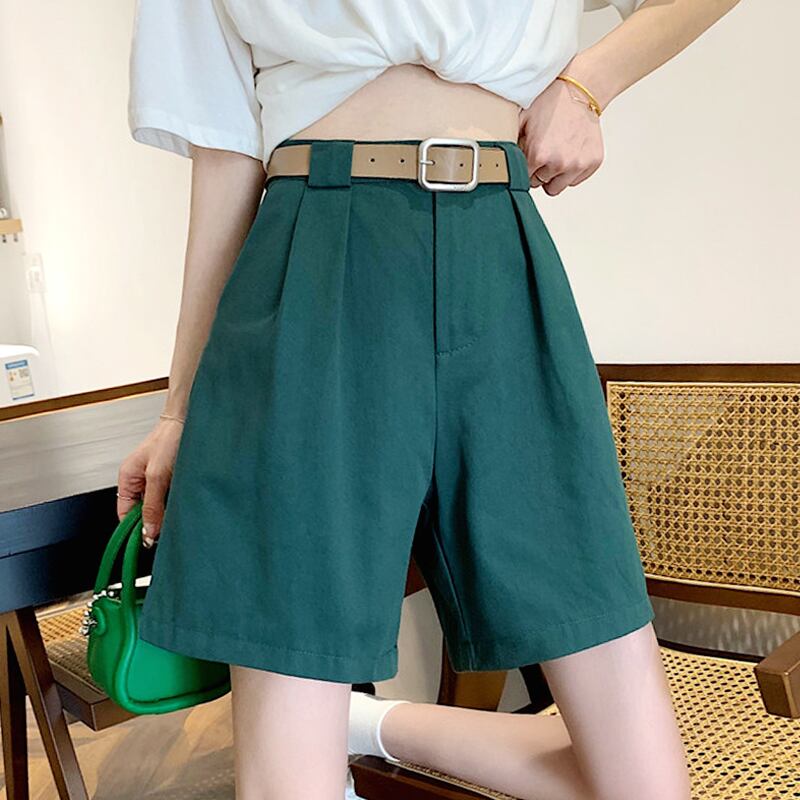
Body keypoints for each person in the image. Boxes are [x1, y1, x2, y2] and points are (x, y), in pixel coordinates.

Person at [117, 0, 740, 797]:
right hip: (312, 259)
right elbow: (225, 157)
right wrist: (179, 409)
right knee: (290, 783)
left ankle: (363, 724)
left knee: (643, 787)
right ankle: (321, 735)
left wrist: (588, 84)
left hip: (500, 253)